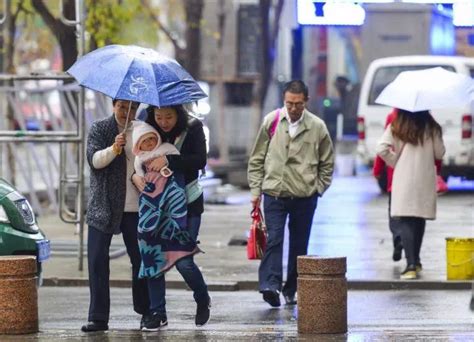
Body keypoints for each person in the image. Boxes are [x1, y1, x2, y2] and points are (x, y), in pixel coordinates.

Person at [247, 80, 335, 307]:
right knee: (274, 239)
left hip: (305, 196)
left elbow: (327, 163)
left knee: (299, 244)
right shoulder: (272, 120)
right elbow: (257, 158)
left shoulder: (317, 127)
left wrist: (319, 188)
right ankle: (270, 285)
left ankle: (291, 289)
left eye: (298, 104)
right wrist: (256, 191)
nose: (293, 108)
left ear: (306, 101)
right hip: (274, 192)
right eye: (289, 103)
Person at [131, 104, 210, 330]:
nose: (164, 121)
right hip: (154, 208)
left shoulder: (193, 128)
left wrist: (169, 161)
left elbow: (199, 160)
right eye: (159, 117)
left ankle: (202, 297)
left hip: (187, 203)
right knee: (153, 257)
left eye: (169, 117)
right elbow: (137, 163)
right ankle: (158, 312)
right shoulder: (147, 132)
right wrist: (135, 178)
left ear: (178, 114)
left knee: (183, 261)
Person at [82, 99, 149, 332]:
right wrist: (114, 148)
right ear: (113, 106)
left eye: (131, 107)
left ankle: (146, 312)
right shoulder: (100, 128)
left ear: (138, 108)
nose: (125, 112)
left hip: (136, 208)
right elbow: (94, 161)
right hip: (104, 206)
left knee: (141, 261)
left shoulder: (143, 130)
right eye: (121, 106)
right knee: (97, 261)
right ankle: (98, 317)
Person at [376, 109, 445, 280]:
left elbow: (381, 148)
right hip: (424, 178)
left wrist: (395, 161)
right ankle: (417, 261)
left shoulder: (397, 124)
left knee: (406, 219)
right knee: (419, 218)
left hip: (403, 178)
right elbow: (440, 153)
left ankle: (411, 265)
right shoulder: (431, 126)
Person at [373, 108, 404, 262]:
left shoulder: (393, 116)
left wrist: (377, 169)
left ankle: (398, 237)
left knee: (395, 212)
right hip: (418, 177)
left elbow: (383, 145)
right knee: (413, 216)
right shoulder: (425, 117)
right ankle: (413, 257)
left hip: (396, 175)